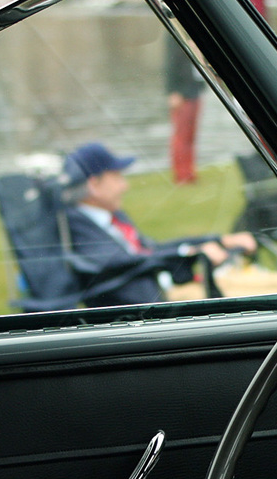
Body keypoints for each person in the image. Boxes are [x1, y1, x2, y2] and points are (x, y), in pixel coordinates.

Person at [63, 142, 254, 306]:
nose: (125, 186)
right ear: (94, 185)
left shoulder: (112, 216)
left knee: (269, 288)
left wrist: (219, 240)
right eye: (116, 177)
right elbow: (125, 262)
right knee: (264, 296)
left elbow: (152, 249)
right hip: (150, 311)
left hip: (164, 293)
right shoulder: (79, 229)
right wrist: (188, 254)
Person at [165, 44, 204, 184]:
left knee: (191, 135)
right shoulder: (174, 31)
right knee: (181, 136)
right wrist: (173, 91)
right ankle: (182, 175)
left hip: (194, 90)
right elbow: (170, 62)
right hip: (181, 93)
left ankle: (189, 172)